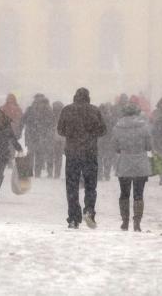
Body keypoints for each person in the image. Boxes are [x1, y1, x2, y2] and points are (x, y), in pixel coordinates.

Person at [57, 88, 107, 229]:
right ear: (88, 97)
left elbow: (60, 130)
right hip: (90, 153)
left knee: (72, 186)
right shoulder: (94, 111)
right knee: (91, 185)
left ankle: (73, 218)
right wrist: (90, 134)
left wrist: (72, 133)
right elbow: (103, 130)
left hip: (72, 153)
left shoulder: (67, 110)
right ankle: (89, 211)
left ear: (75, 97)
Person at [112, 103, 153, 232]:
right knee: (138, 194)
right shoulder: (144, 126)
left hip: (124, 163)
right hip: (140, 163)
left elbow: (115, 147)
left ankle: (125, 221)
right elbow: (149, 146)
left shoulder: (117, 127)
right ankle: (137, 222)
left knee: (124, 194)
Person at [23, 94, 56, 178]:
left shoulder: (30, 109)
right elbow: (52, 123)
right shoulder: (48, 110)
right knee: (39, 154)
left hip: (32, 135)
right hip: (41, 135)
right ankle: (37, 174)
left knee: (31, 153)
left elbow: (23, 120)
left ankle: (29, 172)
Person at [97, 103, 117, 181]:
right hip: (108, 140)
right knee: (108, 158)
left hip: (99, 140)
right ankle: (107, 174)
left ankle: (99, 174)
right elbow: (113, 129)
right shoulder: (110, 118)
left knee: (99, 157)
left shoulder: (96, 118)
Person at [50, 101, 65, 179]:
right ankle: (57, 173)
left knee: (55, 156)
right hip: (62, 139)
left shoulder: (51, 115)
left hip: (55, 138)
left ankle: (53, 173)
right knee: (58, 157)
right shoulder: (65, 115)